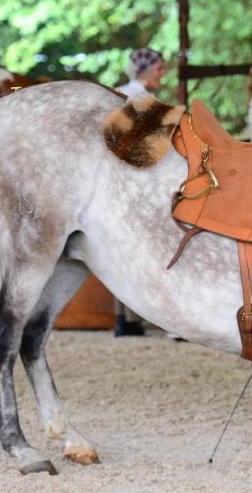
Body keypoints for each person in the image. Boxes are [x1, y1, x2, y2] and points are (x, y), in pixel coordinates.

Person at [113, 47, 167, 336]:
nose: (163, 73)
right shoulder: (143, 99)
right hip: (138, 180)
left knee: (121, 248)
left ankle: (125, 319)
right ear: (146, 71)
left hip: (118, 180)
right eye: (159, 68)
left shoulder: (117, 93)